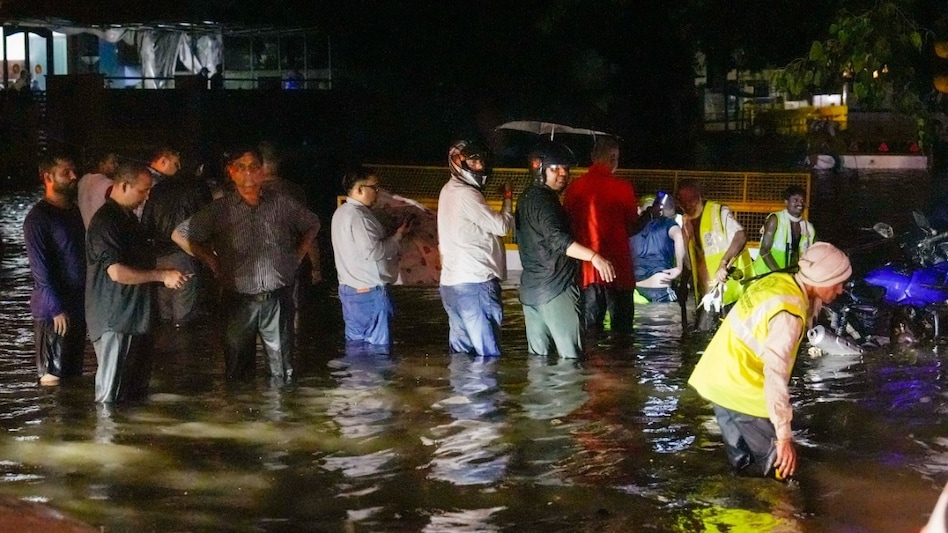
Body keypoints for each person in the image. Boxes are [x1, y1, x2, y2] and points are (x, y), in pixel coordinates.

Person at [688, 242, 851, 479]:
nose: (840, 291)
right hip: (741, 388)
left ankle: (739, 509)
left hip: (717, 379)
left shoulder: (778, 282)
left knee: (744, 467)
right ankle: (781, 514)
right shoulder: (790, 312)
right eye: (838, 283)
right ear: (821, 280)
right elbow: (775, 373)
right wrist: (784, 436)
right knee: (780, 469)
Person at [172, 146, 320, 383]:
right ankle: (240, 416)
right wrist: (210, 259)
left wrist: (297, 256)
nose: (248, 173)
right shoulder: (220, 210)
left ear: (262, 171)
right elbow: (180, 234)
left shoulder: (281, 204)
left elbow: (312, 224)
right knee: (237, 371)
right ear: (231, 172)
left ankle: (281, 416)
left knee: (283, 370)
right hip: (237, 300)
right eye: (240, 167)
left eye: (253, 167)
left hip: (276, 298)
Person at [86, 163, 189, 403]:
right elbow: (117, 273)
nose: (147, 197)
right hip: (116, 321)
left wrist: (166, 276)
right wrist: (162, 276)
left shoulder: (129, 220)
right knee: (110, 399)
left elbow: (139, 266)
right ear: (123, 185)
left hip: (137, 319)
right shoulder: (106, 222)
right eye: (143, 191)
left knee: (133, 396)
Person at [515, 140, 616, 358]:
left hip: (531, 291)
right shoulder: (545, 202)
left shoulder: (525, 199)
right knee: (570, 359)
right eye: (555, 168)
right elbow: (558, 240)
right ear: (539, 168)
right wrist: (594, 257)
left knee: (538, 359)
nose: (562, 173)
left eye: (565, 168)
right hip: (556, 289)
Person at [437, 140, 513, 356]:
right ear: (458, 162)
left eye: (481, 161)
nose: (479, 166)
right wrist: (508, 198)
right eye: (474, 161)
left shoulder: (448, 190)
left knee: (462, 356)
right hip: (476, 283)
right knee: (487, 355)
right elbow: (502, 226)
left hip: (452, 285)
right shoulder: (467, 194)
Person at [563, 136, 638, 335]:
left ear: (593, 156)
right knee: (622, 335)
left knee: (590, 334)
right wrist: (649, 216)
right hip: (619, 270)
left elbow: (567, 225)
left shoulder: (575, 188)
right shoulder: (623, 188)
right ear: (613, 158)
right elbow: (632, 226)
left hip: (588, 271)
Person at [331, 166, 410, 348]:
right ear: (359, 189)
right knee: (378, 352)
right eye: (374, 188)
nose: (377, 192)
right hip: (369, 294)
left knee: (357, 348)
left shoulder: (341, 213)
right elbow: (372, 252)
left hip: (350, 292)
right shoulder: (358, 216)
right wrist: (398, 237)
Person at [24, 154, 86, 386]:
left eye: (73, 171)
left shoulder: (74, 212)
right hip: (53, 310)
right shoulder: (38, 218)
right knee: (53, 378)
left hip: (77, 304)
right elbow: (40, 269)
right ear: (48, 177)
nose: (74, 176)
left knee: (73, 377)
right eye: (66, 173)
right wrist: (56, 307)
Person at [140, 151, 212, 326]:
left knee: (163, 317)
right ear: (200, 168)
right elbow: (210, 222)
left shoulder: (158, 189)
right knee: (183, 317)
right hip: (186, 255)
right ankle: (184, 352)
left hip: (158, 258)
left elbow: (146, 223)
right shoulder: (198, 188)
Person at [676, 178, 752, 307]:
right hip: (706, 295)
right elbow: (690, 259)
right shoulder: (685, 222)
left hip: (731, 292)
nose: (688, 205)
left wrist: (723, 263)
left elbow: (741, 235)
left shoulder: (718, 212)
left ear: (699, 196)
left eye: (691, 200)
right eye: (683, 202)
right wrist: (683, 284)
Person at [630, 191, 686, 302]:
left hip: (633, 292)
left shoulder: (630, 229)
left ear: (639, 209)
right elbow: (679, 235)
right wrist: (679, 266)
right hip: (659, 289)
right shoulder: (666, 223)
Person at [752, 185, 816, 275]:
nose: (800, 204)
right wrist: (780, 274)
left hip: (788, 277)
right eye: (795, 200)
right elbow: (764, 250)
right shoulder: (775, 219)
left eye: (802, 200)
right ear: (786, 202)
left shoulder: (808, 228)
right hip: (765, 275)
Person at [77, 151, 119, 228]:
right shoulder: (108, 185)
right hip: (103, 233)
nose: (117, 165)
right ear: (102, 164)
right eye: (113, 162)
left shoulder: (82, 180)